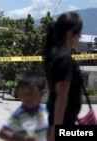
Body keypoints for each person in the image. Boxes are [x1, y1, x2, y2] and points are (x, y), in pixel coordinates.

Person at [42, 12, 83, 141]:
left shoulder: (54, 55)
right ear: (70, 34)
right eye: (78, 33)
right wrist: (57, 128)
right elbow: (61, 94)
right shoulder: (64, 59)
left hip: (62, 119)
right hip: (63, 122)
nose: (80, 37)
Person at [0, 72, 48, 141]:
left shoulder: (46, 110)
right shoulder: (20, 114)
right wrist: (23, 139)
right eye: (23, 93)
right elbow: (2, 133)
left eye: (31, 93)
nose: (27, 97)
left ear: (42, 93)